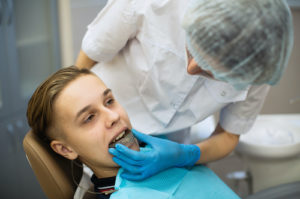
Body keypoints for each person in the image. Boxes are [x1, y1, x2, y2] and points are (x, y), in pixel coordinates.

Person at [76, 0, 294, 181]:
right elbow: (89, 56)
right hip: (98, 129)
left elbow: (229, 135)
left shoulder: (258, 63)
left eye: (211, 73)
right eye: (192, 51)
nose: (191, 69)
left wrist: (183, 155)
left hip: (173, 141)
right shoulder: (155, 4)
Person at [26, 66, 241, 199]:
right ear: (65, 149)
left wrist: (185, 154)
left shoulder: (162, 152)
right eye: (89, 118)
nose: (113, 116)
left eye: (109, 101)